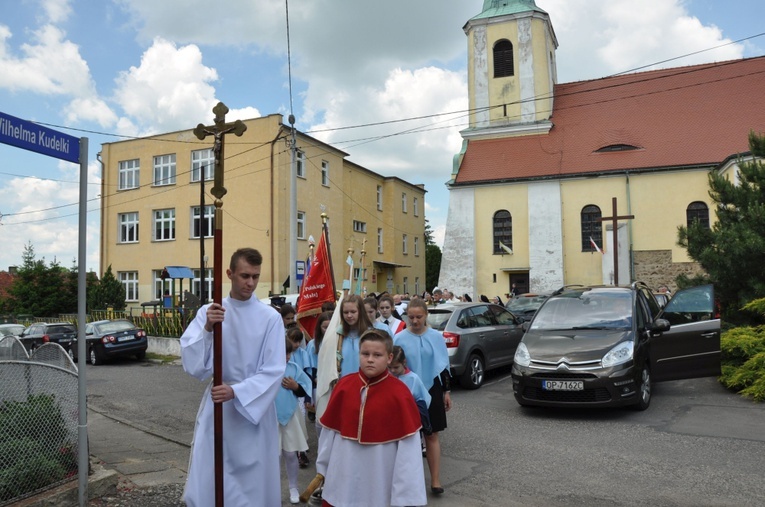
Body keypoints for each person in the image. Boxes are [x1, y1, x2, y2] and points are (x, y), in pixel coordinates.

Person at [181, 247, 285, 507]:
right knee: (214, 478)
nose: (250, 283)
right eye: (244, 276)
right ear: (229, 273)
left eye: (255, 277)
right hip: (219, 410)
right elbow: (194, 365)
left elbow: (274, 370)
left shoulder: (270, 317)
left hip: (253, 413)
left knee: (253, 485)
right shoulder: (211, 311)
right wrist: (207, 328)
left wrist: (237, 391)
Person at [316, 329, 427, 507]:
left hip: (381, 474)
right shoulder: (344, 386)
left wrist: (405, 495)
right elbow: (329, 435)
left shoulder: (400, 393)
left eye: (377, 355)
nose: (370, 359)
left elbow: (409, 452)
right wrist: (323, 469)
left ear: (390, 358)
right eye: (365, 353)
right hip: (345, 472)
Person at [394, 298, 452, 495]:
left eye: (419, 317)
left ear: (426, 316)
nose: (415, 321)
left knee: (432, 433)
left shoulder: (436, 336)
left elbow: (443, 365)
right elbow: (393, 366)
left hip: (432, 389)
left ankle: (435, 480)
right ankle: (408, 482)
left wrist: (447, 391)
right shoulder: (399, 338)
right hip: (406, 389)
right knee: (407, 436)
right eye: (411, 317)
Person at [277, 337, 313, 504]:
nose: (287, 357)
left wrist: (295, 386)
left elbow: (304, 387)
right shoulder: (265, 369)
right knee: (272, 455)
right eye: (283, 353)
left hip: (289, 415)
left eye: (289, 353)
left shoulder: (293, 368)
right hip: (270, 418)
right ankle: (272, 487)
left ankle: (293, 486)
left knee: (290, 453)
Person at [389, 345, 432, 436]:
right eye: (389, 367)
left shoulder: (413, 378)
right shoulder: (387, 377)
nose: (392, 370)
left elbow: (424, 401)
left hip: (409, 419)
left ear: (404, 362)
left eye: (396, 367)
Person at [286, 326, 311, 468]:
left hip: (297, 395)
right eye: (293, 341)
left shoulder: (299, 359)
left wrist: (307, 397)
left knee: (299, 419)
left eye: (298, 341)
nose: (295, 345)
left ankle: (301, 451)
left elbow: (306, 377)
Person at [337, 294, 373, 378]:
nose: (349, 315)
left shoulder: (371, 334)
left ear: (360, 312)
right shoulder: (338, 336)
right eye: (346, 312)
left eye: (353, 312)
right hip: (343, 384)